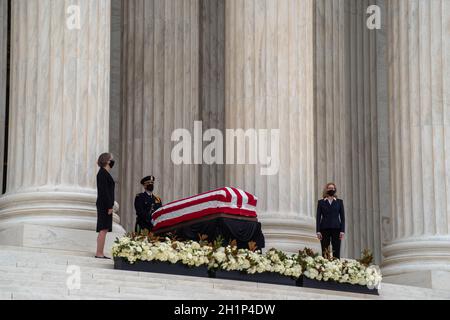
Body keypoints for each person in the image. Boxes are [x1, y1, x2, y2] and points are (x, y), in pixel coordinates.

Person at [316, 182, 345, 259]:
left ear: (335, 190)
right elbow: (318, 217)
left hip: (336, 228)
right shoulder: (321, 202)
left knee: (336, 249)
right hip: (324, 228)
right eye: (329, 188)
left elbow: (342, 217)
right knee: (325, 249)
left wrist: (342, 231)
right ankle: (325, 265)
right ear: (326, 189)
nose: (331, 189)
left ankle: (336, 266)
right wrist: (318, 231)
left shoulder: (339, 202)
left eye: (333, 188)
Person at [95, 153, 116, 259]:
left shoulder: (105, 173)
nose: (113, 161)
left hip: (105, 204)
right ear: (107, 161)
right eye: (112, 159)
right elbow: (104, 192)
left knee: (104, 229)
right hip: (104, 205)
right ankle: (99, 253)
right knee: (103, 229)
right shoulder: (102, 173)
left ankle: (100, 252)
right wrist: (109, 206)